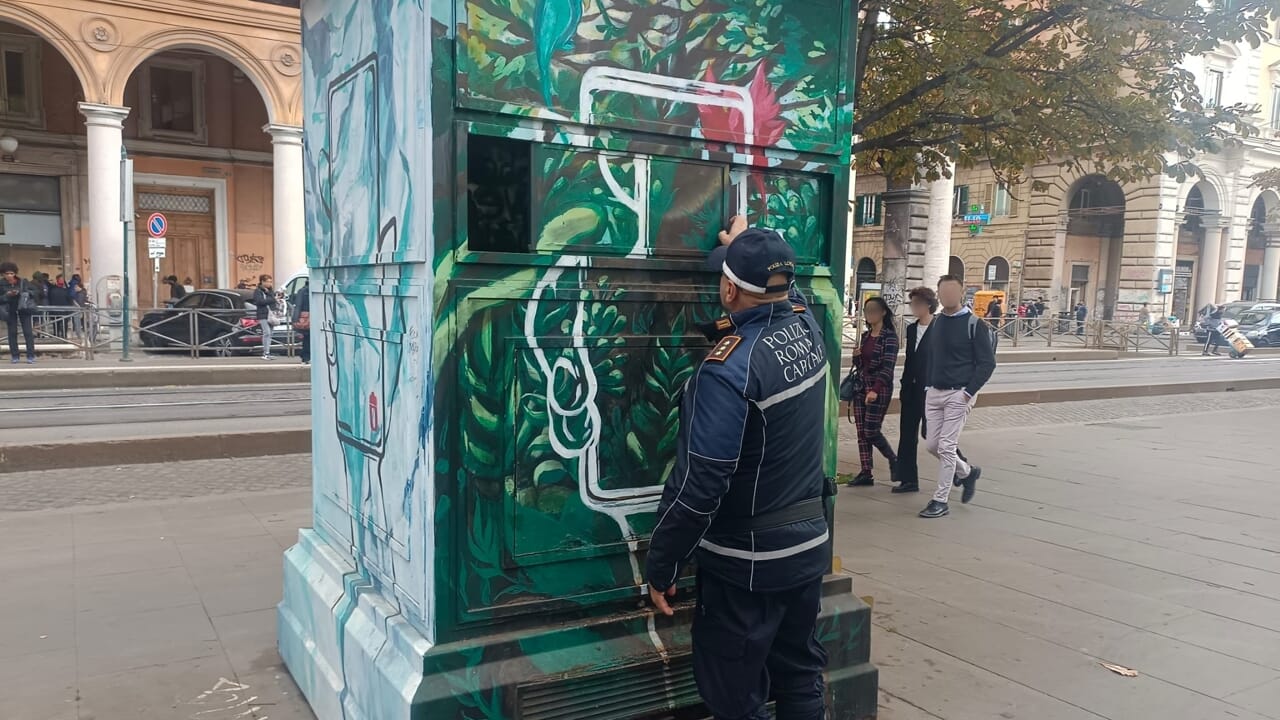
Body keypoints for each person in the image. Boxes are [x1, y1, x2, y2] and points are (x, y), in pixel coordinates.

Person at [646, 216, 831, 720]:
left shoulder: (726, 371)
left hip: (747, 567)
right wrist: (745, 247)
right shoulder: (807, 328)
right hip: (807, 550)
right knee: (800, 674)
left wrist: (663, 564)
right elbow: (786, 293)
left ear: (728, 289)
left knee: (734, 697)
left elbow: (700, 483)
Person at [918, 275, 997, 518]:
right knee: (932, 445)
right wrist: (928, 385)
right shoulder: (937, 322)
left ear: (961, 294)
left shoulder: (975, 324)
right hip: (934, 392)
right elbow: (931, 356)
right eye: (943, 292)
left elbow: (987, 363)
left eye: (952, 291)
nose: (948, 296)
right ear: (939, 295)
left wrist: (968, 392)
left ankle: (940, 500)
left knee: (946, 446)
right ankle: (967, 472)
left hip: (959, 393)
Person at [894, 286, 968, 494]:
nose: (913, 307)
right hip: (911, 389)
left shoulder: (941, 327)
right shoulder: (911, 329)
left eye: (916, 304)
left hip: (932, 389)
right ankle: (908, 480)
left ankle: (960, 466)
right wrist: (904, 384)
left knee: (932, 434)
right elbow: (910, 360)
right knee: (907, 434)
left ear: (928, 305)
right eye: (911, 304)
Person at [847, 296, 898, 486]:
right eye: (867, 311)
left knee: (871, 430)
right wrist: (856, 357)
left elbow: (888, 367)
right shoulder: (866, 336)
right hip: (861, 386)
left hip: (879, 388)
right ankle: (866, 472)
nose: (870, 314)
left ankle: (894, 459)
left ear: (883, 312)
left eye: (874, 310)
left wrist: (875, 390)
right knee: (861, 432)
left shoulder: (889, 337)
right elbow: (861, 366)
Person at [2, 262, 37, 364]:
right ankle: (15, 356)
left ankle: (30, 355)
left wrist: (23, 293)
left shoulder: (23, 281)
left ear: (15, 273)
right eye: (7, 273)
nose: (9, 275)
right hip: (9, 310)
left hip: (23, 308)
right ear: (3, 274)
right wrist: (7, 295)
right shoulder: (1, 283)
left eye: (11, 273)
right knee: (12, 333)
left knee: (28, 332)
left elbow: (35, 292)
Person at [251, 274, 278, 360]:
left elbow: (273, 300)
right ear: (262, 282)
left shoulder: (270, 291)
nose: (269, 283)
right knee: (267, 333)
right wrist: (272, 299)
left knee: (270, 333)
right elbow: (259, 301)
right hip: (262, 314)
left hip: (271, 314)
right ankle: (265, 353)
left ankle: (268, 352)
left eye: (270, 282)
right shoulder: (258, 291)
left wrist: (271, 297)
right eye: (267, 282)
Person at [291, 280, 311, 365]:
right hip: (308, 318)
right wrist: (295, 319)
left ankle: (305, 356)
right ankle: (305, 356)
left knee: (307, 338)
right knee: (308, 338)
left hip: (306, 318)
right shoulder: (304, 291)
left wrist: (295, 319)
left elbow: (298, 305)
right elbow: (298, 306)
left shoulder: (302, 291)